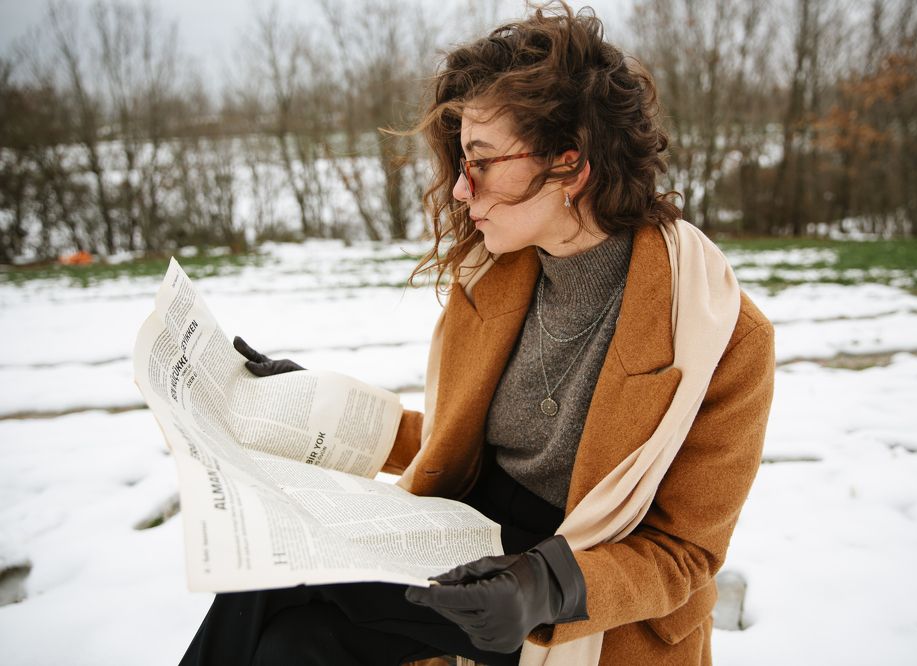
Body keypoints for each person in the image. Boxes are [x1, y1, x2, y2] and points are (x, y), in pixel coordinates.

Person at [181, 2, 775, 665]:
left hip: (580, 600)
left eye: (482, 161)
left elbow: (685, 552)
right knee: (293, 642)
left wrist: (542, 587)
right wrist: (310, 408)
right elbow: (459, 444)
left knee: (274, 585)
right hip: (458, 534)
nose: (462, 190)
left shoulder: (718, 332)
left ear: (570, 167)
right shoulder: (498, 276)